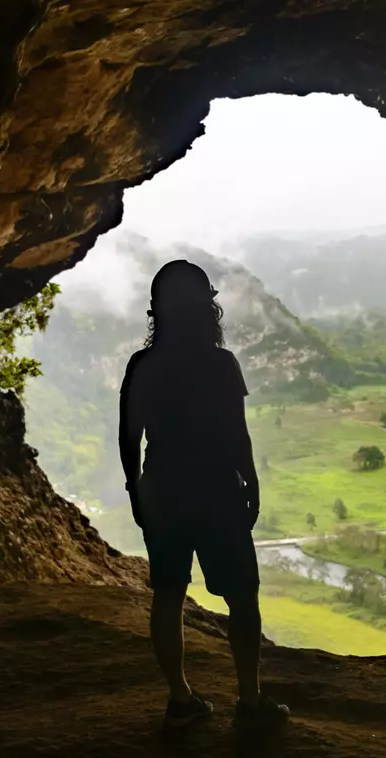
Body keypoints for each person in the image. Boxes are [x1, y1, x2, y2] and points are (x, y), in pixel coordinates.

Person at [118, 259, 290, 730]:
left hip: (162, 492)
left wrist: (137, 492)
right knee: (243, 598)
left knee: (168, 595)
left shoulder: (143, 365)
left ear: (158, 311)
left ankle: (179, 699)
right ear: (206, 308)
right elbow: (236, 432)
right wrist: (250, 481)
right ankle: (250, 702)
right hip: (217, 491)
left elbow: (128, 438)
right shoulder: (220, 364)